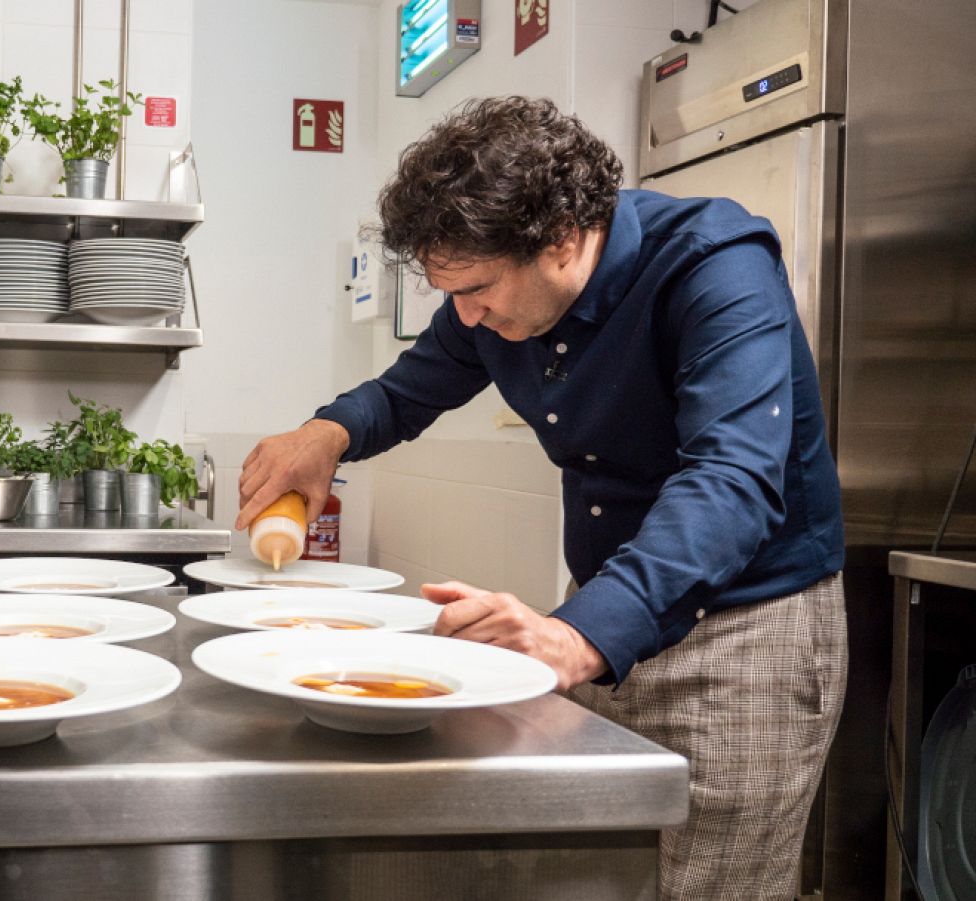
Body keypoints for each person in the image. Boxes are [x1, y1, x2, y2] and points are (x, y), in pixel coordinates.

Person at [235, 97, 846, 899]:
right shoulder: (492, 300)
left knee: (712, 882)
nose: (465, 316)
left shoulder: (713, 265)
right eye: (449, 292)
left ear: (559, 239)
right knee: (604, 870)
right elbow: (406, 391)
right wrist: (326, 432)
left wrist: (576, 634)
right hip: (605, 614)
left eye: (478, 290)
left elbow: (731, 481)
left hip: (746, 629)